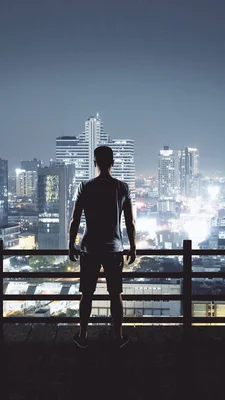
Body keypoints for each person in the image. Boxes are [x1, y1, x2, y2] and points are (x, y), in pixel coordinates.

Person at [68, 145, 136, 349]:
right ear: (113, 162)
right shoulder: (122, 188)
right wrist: (133, 247)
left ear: (95, 162)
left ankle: (83, 335)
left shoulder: (85, 187)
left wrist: (71, 244)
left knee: (86, 294)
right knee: (116, 294)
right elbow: (130, 222)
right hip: (114, 249)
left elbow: (75, 219)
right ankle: (118, 337)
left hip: (89, 249)